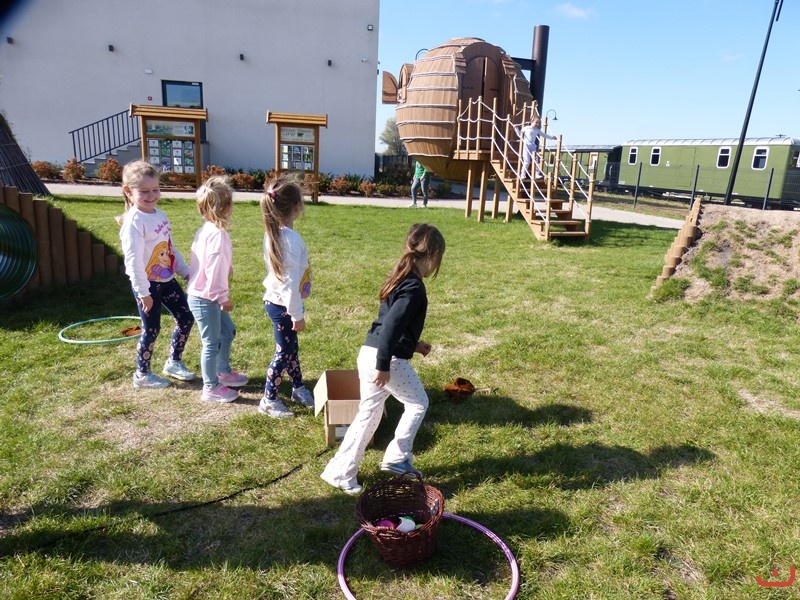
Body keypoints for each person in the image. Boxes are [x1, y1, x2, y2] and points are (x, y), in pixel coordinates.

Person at [321, 223, 446, 495]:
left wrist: (414, 345)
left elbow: (392, 326)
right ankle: (397, 457)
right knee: (418, 403)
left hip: (369, 353)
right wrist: (383, 365)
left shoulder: (400, 277)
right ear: (432, 255)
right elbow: (390, 327)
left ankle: (340, 472)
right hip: (385, 360)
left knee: (369, 414)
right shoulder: (414, 288)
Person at [118, 160, 195, 389]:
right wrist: (143, 292)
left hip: (167, 279)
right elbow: (133, 261)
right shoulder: (134, 221)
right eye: (144, 191)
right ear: (128, 191)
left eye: (155, 189)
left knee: (186, 317)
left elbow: (169, 248)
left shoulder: (160, 214)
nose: (151, 196)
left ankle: (174, 361)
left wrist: (185, 272)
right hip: (147, 285)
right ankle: (142, 374)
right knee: (151, 329)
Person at [186, 176, 249, 403]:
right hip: (206, 297)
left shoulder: (207, 229)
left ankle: (223, 372)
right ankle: (210, 387)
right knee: (211, 343)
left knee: (227, 331)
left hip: (205, 295)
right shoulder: (217, 235)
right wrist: (223, 298)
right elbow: (214, 270)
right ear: (228, 206)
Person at [258, 175, 315, 418]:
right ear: (296, 206)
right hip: (284, 306)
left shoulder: (276, 233)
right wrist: (296, 315)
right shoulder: (290, 240)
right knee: (283, 352)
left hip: (279, 303)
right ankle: (269, 399)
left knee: (291, 349)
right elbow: (289, 284)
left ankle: (298, 387)